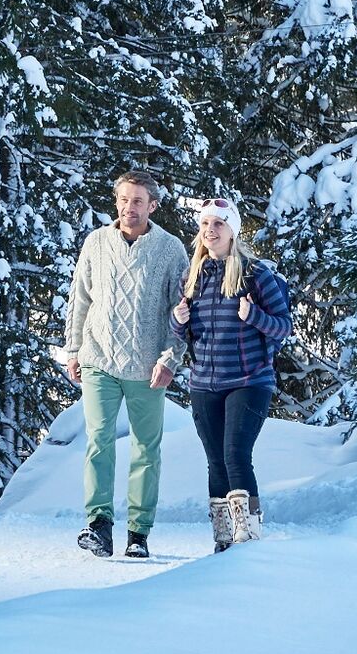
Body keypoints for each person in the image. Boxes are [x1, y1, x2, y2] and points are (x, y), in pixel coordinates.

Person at [64, 170, 187, 559]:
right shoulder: (96, 243)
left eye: (137, 201)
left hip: (148, 367)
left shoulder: (170, 249)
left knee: (146, 449)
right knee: (98, 441)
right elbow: (80, 299)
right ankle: (99, 525)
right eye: (123, 199)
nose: (128, 207)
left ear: (152, 206)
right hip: (98, 359)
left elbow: (181, 311)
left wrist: (171, 359)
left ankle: (139, 533)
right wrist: (73, 349)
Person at [172, 197, 291, 550]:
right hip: (204, 383)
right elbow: (186, 333)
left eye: (218, 224)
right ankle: (224, 540)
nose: (210, 230)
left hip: (249, 380)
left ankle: (248, 537)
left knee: (235, 454)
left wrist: (253, 316)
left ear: (232, 231)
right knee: (215, 461)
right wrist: (177, 321)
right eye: (205, 224)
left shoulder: (256, 275)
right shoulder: (191, 277)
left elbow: (283, 327)